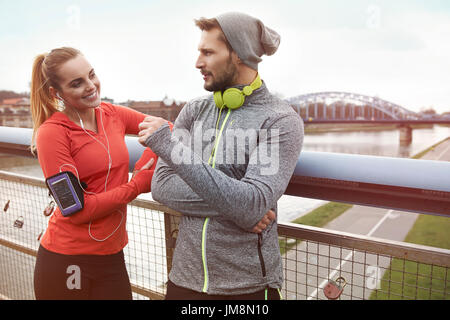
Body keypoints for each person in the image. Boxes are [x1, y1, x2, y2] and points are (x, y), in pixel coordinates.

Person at [138, 12, 304, 299]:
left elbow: (252, 202)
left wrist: (170, 147)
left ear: (238, 54)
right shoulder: (194, 110)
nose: (198, 63)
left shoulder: (279, 120)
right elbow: (161, 187)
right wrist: (239, 209)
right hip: (183, 281)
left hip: (247, 290)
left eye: (208, 52)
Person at [30, 47, 159, 300]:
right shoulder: (52, 134)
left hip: (112, 256)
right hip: (67, 261)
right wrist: (138, 184)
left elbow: (167, 128)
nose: (91, 86)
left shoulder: (113, 114)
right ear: (57, 93)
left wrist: (149, 157)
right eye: (77, 83)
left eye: (92, 75)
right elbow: (78, 211)